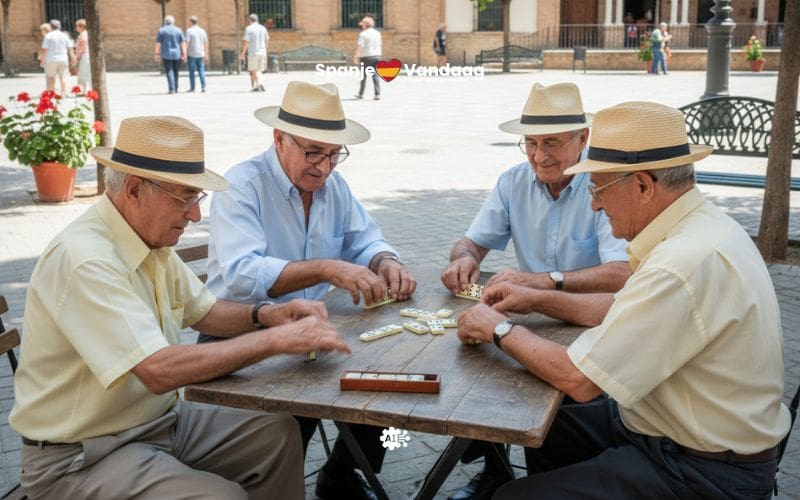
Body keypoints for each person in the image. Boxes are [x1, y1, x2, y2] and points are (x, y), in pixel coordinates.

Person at [457, 101, 791, 499]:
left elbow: (578, 378)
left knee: (512, 496)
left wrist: (496, 327)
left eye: (598, 188)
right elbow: (620, 310)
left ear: (644, 186)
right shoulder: (700, 227)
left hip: (704, 471)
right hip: (668, 428)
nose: (595, 203)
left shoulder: (678, 264)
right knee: (554, 419)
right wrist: (535, 299)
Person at [8, 115, 352, 499]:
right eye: (184, 197)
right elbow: (158, 371)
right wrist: (277, 340)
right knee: (219, 497)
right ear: (136, 189)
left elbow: (206, 312)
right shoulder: (86, 259)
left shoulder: (146, 237)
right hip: (82, 456)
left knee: (276, 433)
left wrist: (267, 315)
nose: (195, 214)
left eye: (196, 198)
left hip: (157, 421)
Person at [202, 81, 416, 499]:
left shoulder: (333, 186)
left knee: (395, 386)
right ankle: (275, 483)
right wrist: (326, 268)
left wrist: (386, 262)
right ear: (279, 138)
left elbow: (365, 239)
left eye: (334, 154)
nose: (324, 166)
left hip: (314, 327)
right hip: (244, 328)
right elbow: (241, 273)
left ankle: (345, 474)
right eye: (313, 152)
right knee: (294, 415)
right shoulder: (242, 184)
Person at [441, 82, 630, 500]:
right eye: (530, 142)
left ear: (583, 139)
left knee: (558, 393)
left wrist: (546, 281)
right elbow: (471, 239)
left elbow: (622, 272)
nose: (539, 156)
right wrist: (464, 258)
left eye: (552, 144)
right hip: (531, 314)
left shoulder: (601, 183)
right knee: (481, 365)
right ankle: (497, 469)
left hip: (589, 322)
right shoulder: (514, 181)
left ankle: (554, 479)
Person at [39, 19, 75, 94]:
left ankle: (51, 93)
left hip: (51, 59)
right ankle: (64, 92)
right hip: (63, 59)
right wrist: (73, 58)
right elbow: (70, 49)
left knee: (51, 77)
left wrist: (42, 60)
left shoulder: (48, 36)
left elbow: (44, 49)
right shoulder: (64, 35)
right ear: (59, 26)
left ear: (51, 27)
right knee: (63, 77)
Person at [155, 15, 186, 94]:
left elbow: (158, 43)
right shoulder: (179, 30)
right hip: (177, 54)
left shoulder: (162, 30)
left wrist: (157, 53)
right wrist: (184, 53)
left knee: (169, 71)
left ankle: (171, 89)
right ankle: (175, 88)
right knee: (176, 71)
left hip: (166, 53)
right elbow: (182, 43)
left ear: (165, 22)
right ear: (173, 22)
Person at [354, 16, 382, 101]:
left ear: (365, 25)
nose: (362, 26)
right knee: (375, 75)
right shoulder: (377, 33)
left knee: (363, 76)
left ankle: (360, 94)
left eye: (362, 24)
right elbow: (380, 44)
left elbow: (360, 46)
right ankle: (377, 94)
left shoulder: (363, 34)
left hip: (366, 57)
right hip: (376, 56)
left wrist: (356, 56)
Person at [241, 13, 269, 92]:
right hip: (262, 52)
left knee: (253, 70)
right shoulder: (263, 28)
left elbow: (246, 42)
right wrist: (265, 50)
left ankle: (259, 84)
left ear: (249, 20)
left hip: (253, 52)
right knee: (259, 70)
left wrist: (243, 53)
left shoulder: (249, 29)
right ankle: (259, 85)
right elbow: (267, 40)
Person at [185, 15, 209, 93]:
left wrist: (185, 53)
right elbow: (206, 43)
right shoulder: (202, 30)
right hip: (201, 53)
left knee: (192, 72)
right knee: (201, 70)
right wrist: (206, 53)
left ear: (190, 22)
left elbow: (187, 43)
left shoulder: (189, 31)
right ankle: (203, 87)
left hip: (192, 54)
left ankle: (192, 88)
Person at [74, 19, 90, 93]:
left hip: (84, 55)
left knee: (83, 73)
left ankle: (85, 90)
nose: (76, 28)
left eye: (77, 26)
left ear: (81, 27)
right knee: (86, 72)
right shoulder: (87, 33)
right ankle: (85, 89)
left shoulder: (82, 34)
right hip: (87, 55)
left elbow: (83, 45)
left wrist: (77, 56)